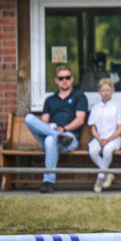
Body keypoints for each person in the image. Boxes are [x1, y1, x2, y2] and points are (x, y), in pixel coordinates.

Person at [24, 65, 88, 193]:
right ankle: (56, 135)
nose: (64, 80)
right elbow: (44, 122)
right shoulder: (50, 100)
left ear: (72, 79)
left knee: (49, 140)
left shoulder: (79, 96)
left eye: (67, 77)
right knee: (29, 118)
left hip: (69, 138)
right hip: (53, 133)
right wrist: (54, 130)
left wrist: (64, 129)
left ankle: (48, 181)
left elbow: (80, 120)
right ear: (56, 80)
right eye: (61, 78)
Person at [87, 78, 121, 193]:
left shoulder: (117, 107)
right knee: (93, 151)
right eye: (103, 90)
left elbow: (120, 128)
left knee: (107, 150)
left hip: (114, 138)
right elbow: (93, 128)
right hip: (99, 138)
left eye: (108, 90)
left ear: (113, 91)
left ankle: (100, 179)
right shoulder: (96, 108)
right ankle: (107, 173)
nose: (105, 92)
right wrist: (99, 139)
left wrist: (109, 139)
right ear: (99, 91)